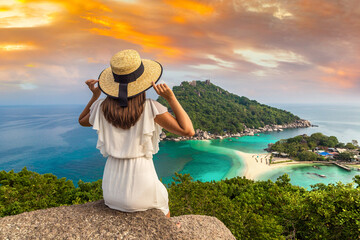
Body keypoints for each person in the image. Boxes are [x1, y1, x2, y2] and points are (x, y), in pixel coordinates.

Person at [78, 49, 194, 218]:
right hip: (142, 184)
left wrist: (95, 96)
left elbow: (82, 121)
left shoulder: (101, 107)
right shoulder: (151, 107)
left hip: (112, 191)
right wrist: (171, 98)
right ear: (143, 82)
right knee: (162, 201)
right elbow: (188, 131)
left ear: (114, 84)